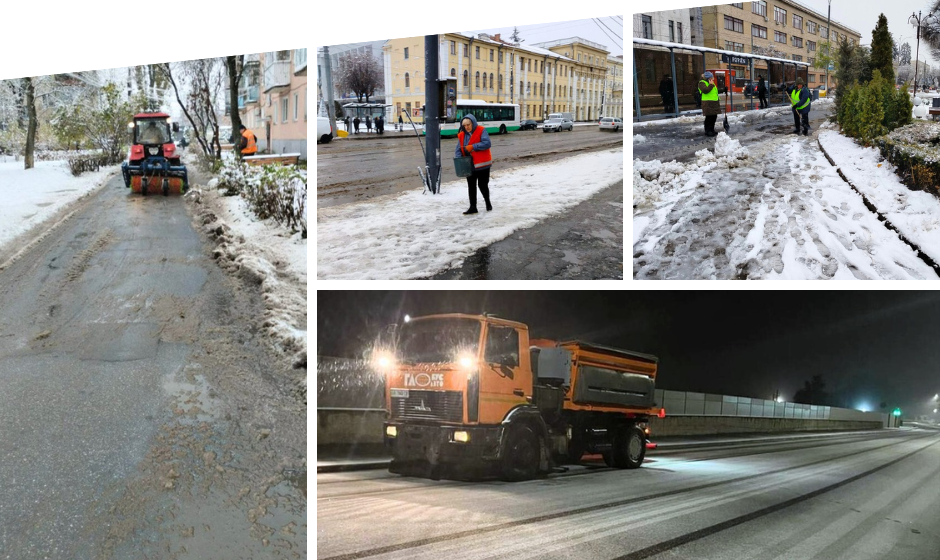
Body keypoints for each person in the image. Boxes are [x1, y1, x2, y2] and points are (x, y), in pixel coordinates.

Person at [454, 114, 492, 215]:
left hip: (482, 165)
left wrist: (473, 147)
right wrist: (458, 158)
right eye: (464, 125)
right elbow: (458, 148)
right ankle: (473, 207)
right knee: (471, 186)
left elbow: (487, 143)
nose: (467, 127)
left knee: (482, 185)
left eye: (468, 125)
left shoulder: (481, 130)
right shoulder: (462, 135)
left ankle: (488, 203)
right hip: (469, 165)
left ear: (473, 123)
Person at [698, 72, 721, 137]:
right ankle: (708, 131)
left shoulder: (710, 83)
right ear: (708, 78)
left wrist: (723, 90)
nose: (713, 79)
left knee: (714, 117)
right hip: (707, 103)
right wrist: (711, 85)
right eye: (711, 78)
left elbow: (714, 91)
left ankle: (712, 130)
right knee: (709, 117)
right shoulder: (702, 83)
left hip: (714, 102)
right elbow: (705, 90)